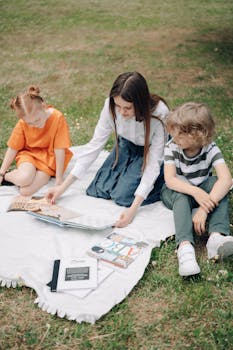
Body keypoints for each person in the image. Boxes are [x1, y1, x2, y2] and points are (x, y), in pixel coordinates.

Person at [46, 71, 169, 227]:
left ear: (140, 103)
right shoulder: (110, 106)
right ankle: (129, 169)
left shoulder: (159, 114)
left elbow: (152, 165)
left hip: (149, 150)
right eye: (118, 106)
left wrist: (133, 209)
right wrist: (62, 188)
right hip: (126, 145)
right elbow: (95, 145)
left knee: (124, 198)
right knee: (98, 190)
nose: (122, 112)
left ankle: (163, 181)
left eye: (127, 108)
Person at [160, 102, 233, 277]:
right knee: (181, 195)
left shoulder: (210, 148)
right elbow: (170, 180)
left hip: (202, 189)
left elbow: (226, 180)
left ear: (195, 135)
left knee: (217, 184)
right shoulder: (172, 147)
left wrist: (204, 208)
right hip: (176, 190)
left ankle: (216, 238)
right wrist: (195, 192)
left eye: (177, 133)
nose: (172, 136)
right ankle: (185, 248)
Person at [0, 86, 73, 196]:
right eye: (30, 123)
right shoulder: (22, 123)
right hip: (29, 155)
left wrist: (59, 179)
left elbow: (59, 149)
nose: (35, 125)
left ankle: (17, 176)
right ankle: (6, 176)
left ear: (43, 106)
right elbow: (13, 148)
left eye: (37, 120)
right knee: (24, 179)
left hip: (48, 161)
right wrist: (1, 172)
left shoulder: (57, 118)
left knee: (25, 191)